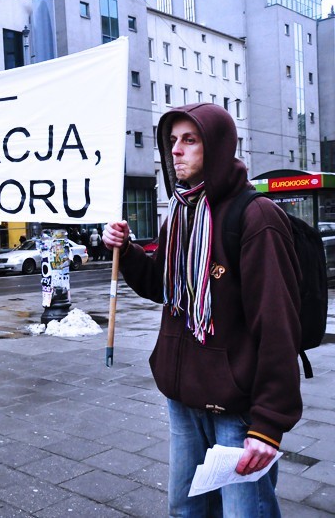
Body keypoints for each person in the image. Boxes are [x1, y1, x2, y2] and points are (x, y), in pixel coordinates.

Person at [102, 103, 302, 516]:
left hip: (236, 407)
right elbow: (163, 286)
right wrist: (128, 252)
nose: (176, 151)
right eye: (172, 141)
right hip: (184, 395)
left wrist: (268, 423)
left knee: (245, 513)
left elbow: (278, 325)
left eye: (189, 140)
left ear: (217, 147)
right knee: (185, 511)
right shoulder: (180, 212)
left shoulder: (256, 216)